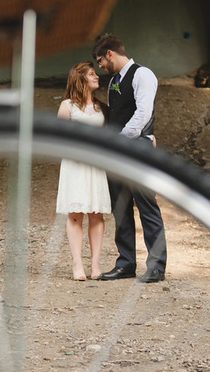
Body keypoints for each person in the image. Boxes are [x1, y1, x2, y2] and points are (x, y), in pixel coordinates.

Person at [92, 33, 167, 283]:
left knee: (147, 207)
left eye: (100, 60)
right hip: (116, 153)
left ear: (110, 53)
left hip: (136, 150)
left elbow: (143, 113)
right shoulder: (115, 79)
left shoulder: (142, 74)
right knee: (121, 208)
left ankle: (156, 266)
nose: (99, 66)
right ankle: (126, 263)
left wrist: (121, 139)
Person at [56, 62, 111, 281]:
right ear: (80, 79)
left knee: (96, 213)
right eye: (92, 74)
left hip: (96, 163)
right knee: (76, 213)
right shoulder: (67, 106)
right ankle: (77, 263)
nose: (96, 77)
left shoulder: (100, 108)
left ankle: (95, 264)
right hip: (75, 164)